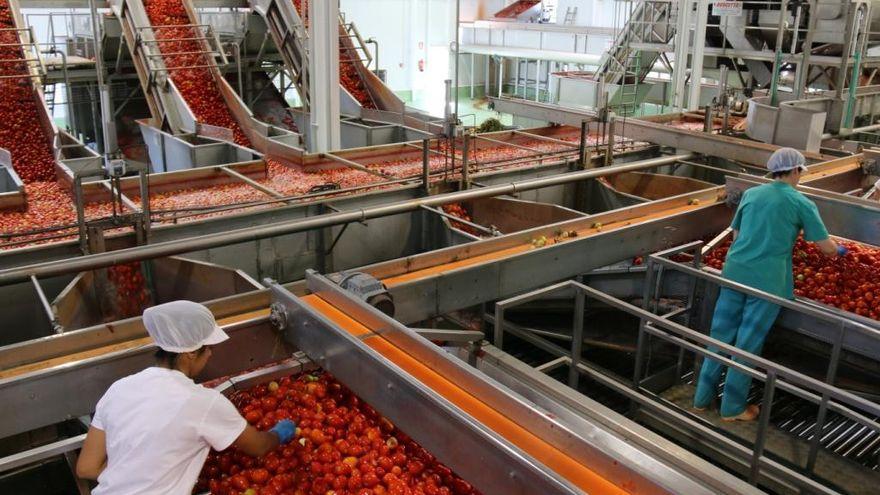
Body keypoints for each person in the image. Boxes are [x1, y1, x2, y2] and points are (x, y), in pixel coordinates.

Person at [76, 300, 297, 494]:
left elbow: (86, 467)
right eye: (208, 348)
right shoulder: (203, 402)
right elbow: (258, 446)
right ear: (191, 352)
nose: (210, 353)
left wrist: (134, 475)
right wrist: (278, 434)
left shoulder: (119, 388)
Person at [693, 148, 846, 421]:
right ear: (796, 170)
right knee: (747, 343)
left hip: (734, 271)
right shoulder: (801, 203)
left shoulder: (751, 194)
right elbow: (824, 247)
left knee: (719, 336)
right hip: (766, 280)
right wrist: (838, 250)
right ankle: (732, 408)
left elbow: (738, 233)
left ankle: (702, 399)